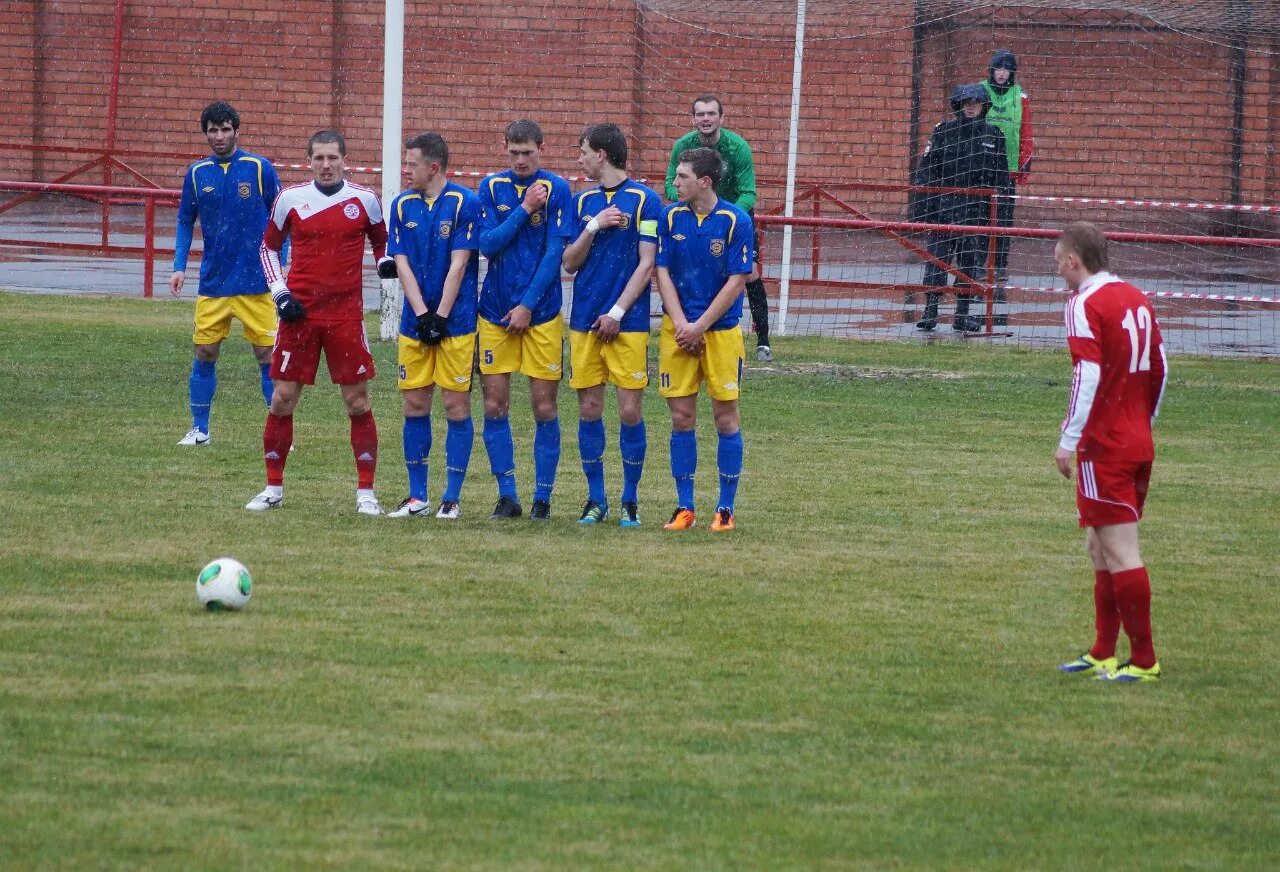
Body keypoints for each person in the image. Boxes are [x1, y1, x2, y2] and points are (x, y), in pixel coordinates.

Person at [246, 130, 390, 515]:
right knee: (282, 399)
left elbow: (381, 241)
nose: (326, 165)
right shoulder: (290, 199)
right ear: (308, 161)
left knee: (357, 403)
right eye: (319, 159)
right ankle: (273, 487)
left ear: (345, 160)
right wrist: (280, 292)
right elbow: (268, 247)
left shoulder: (364, 200)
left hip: (345, 316)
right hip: (299, 315)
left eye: (333, 158)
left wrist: (382, 263)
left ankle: (365, 493)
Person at [1053, 221, 1168, 683]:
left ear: (1073, 261)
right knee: (1099, 546)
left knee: (1121, 551)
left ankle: (1143, 660)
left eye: (1058, 260)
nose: (1057, 269)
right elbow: (1161, 366)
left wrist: (1068, 438)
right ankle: (1103, 651)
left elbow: (1088, 375)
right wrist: (1145, 421)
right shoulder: (1137, 298)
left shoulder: (1085, 303)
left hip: (1106, 447)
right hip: (1137, 441)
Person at [562, 123, 661, 528]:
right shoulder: (582, 202)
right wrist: (593, 226)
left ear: (601, 154)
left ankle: (630, 500)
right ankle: (595, 499)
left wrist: (618, 313)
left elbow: (648, 262)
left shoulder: (646, 201)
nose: (579, 159)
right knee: (588, 409)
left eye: (583, 151)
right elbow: (569, 262)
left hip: (628, 324)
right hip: (585, 320)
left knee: (629, 411)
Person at [476, 119, 574, 521]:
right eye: (513, 153)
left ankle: (543, 498)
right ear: (505, 150)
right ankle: (507, 495)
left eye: (527, 153)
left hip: (542, 315)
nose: (520, 160)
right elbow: (487, 244)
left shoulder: (559, 189)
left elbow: (556, 254)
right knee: (495, 404)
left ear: (541, 149)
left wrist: (529, 305)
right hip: (494, 314)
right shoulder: (491, 188)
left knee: (544, 407)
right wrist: (524, 209)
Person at [171, 101, 282, 446]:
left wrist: (283, 265)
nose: (219, 136)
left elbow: (280, 218)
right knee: (204, 352)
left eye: (225, 129)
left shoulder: (259, 168)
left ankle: (279, 432)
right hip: (214, 283)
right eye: (212, 130)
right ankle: (200, 428)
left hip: (256, 282)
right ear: (205, 134)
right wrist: (179, 266)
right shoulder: (196, 173)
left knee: (267, 356)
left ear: (236, 130)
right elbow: (185, 220)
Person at [384, 133, 482, 520]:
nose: (406, 170)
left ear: (433, 167)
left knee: (455, 406)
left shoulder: (464, 202)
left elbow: (459, 264)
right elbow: (401, 262)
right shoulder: (402, 204)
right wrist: (422, 314)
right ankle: (417, 496)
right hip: (415, 323)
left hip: (455, 324)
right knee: (414, 403)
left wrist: (440, 316)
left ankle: (452, 498)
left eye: (412, 164)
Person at [655, 147, 753, 532]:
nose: (674, 183)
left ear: (704, 182)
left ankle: (725, 509)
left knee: (725, 417)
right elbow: (661, 271)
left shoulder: (735, 220)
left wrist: (700, 327)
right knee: (681, 418)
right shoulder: (669, 217)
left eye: (681, 177)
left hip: (721, 333)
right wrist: (682, 323)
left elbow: (737, 280)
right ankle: (684, 507)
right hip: (676, 331)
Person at [664, 95, 773, 362]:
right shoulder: (683, 146)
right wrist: (688, 200)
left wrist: (725, 215)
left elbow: (749, 192)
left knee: (749, 275)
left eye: (711, 114)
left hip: (734, 218)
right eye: (700, 114)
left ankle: (763, 341)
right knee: (684, 267)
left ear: (721, 119)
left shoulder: (738, 147)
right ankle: (689, 325)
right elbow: (669, 184)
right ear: (693, 120)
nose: (705, 119)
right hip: (694, 215)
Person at [910, 83, 1009, 333]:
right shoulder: (943, 132)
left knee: (969, 264)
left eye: (976, 103)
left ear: (984, 106)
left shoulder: (994, 135)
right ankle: (930, 311)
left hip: (977, 211)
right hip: (944, 207)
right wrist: (924, 207)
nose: (971, 107)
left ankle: (962, 315)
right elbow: (926, 170)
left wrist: (1001, 214)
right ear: (959, 105)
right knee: (937, 261)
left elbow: (1002, 178)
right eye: (967, 103)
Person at [982, 49, 1035, 298]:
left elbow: (1026, 131)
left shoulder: (1020, 96)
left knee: (1003, 221)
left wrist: (1024, 162)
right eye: (998, 69)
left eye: (1006, 70)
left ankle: (1000, 266)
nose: (1001, 74)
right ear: (991, 71)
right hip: (982, 167)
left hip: (1007, 169)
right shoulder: (980, 91)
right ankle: (977, 265)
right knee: (979, 219)